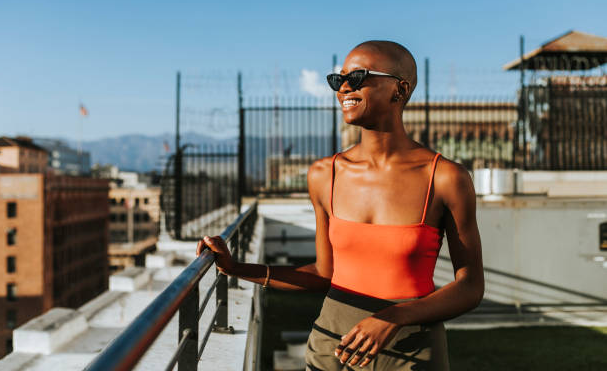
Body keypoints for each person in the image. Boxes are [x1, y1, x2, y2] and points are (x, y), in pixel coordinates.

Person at [197, 40, 484, 370]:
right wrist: (236, 269)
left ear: (400, 89)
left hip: (411, 352)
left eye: (359, 76)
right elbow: (325, 273)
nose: (344, 87)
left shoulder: (445, 178)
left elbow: (471, 285)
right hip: (330, 348)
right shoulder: (324, 175)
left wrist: (395, 316)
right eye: (339, 79)